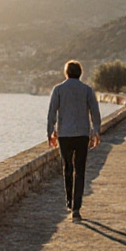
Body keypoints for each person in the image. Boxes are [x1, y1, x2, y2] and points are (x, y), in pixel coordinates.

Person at [47, 60, 101, 221]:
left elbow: (52, 113)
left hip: (64, 134)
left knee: (67, 168)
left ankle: (69, 202)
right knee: (80, 170)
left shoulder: (58, 89)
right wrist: (96, 131)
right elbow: (95, 113)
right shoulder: (87, 90)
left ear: (66, 73)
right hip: (82, 134)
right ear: (80, 73)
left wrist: (50, 133)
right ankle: (76, 208)